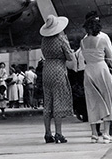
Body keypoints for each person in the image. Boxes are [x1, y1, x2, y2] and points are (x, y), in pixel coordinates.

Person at [80, 14, 112, 144]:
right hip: (101, 68)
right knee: (107, 98)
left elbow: (84, 57)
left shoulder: (83, 41)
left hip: (89, 70)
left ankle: (94, 134)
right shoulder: (103, 39)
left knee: (92, 102)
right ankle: (106, 133)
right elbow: (111, 56)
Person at [40, 15, 75, 143]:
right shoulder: (61, 39)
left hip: (47, 69)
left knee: (47, 102)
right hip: (58, 69)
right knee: (58, 101)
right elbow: (70, 56)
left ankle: (47, 133)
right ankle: (58, 133)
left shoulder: (44, 40)